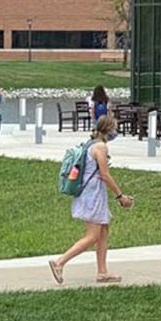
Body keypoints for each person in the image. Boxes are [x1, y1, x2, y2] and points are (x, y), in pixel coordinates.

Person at [48, 116, 133, 285]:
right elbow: (105, 175)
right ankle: (60, 262)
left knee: (103, 231)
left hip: (91, 193)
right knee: (93, 236)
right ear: (108, 130)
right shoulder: (100, 147)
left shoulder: (91, 144)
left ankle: (102, 272)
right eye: (114, 128)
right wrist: (120, 196)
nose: (116, 132)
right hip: (92, 195)